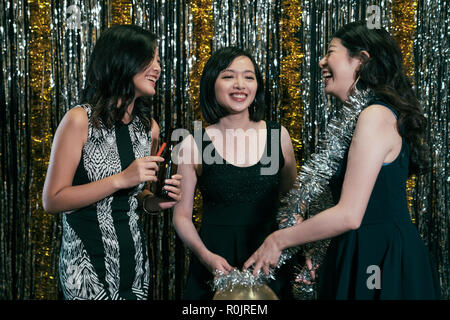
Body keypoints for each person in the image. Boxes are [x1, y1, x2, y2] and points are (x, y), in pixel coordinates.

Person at [244, 21, 442, 300]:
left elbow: (349, 214)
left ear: (361, 61)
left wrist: (278, 240)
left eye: (330, 52)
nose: (322, 61)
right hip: (357, 250)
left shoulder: (374, 116)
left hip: (380, 257)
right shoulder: (358, 118)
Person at [42, 25, 182, 300]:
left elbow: (138, 194)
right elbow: (53, 200)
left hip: (136, 267)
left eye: (159, 61)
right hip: (86, 270)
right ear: (121, 60)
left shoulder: (148, 128)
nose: (158, 68)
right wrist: (121, 178)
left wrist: (153, 202)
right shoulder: (80, 120)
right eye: (150, 59)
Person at [173, 47, 298, 299]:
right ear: (212, 84)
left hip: (269, 263)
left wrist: (289, 247)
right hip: (214, 263)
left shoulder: (279, 136)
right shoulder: (192, 144)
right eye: (228, 76)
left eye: (249, 77)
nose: (240, 84)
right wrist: (206, 257)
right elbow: (181, 216)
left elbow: (292, 202)